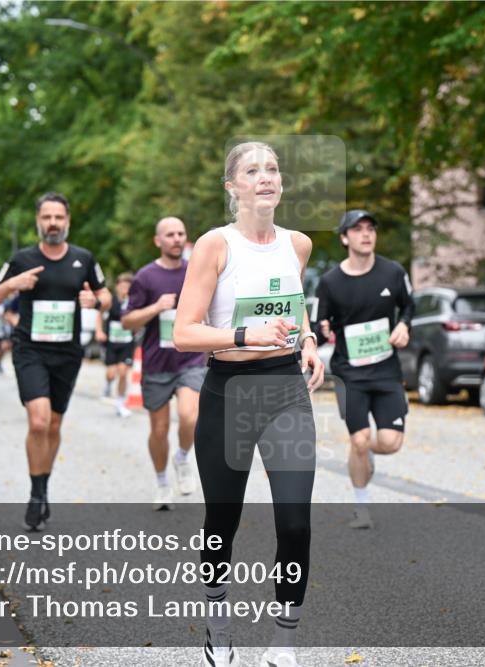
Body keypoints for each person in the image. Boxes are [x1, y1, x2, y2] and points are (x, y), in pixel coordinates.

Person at [174, 141, 325, 667]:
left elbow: (294, 308)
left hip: (284, 389)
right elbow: (183, 333)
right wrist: (245, 332)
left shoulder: (298, 244)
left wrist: (307, 343)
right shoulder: (215, 245)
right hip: (228, 391)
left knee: (296, 522)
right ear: (232, 186)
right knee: (223, 520)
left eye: (273, 169)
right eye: (252, 170)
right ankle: (218, 627)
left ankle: (283, 644)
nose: (266, 177)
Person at [0, 192, 111, 531]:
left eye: (58, 217)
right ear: (38, 221)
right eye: (46, 217)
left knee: (54, 425)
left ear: (67, 221)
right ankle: (36, 493)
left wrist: (94, 301)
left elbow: (106, 295)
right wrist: (13, 283)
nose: (52, 223)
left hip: (67, 353)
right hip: (30, 350)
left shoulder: (84, 259)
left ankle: (43, 486)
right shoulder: (21, 259)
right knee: (38, 422)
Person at [316, 209, 414, 529]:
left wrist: (404, 325)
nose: (366, 234)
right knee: (359, 439)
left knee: (389, 443)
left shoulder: (393, 272)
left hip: (386, 371)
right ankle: (362, 509)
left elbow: (409, 305)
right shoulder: (330, 282)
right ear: (345, 238)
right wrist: (322, 331)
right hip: (350, 374)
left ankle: (364, 452)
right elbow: (318, 325)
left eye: (370, 228)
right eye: (357, 229)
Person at [121, 219, 204, 510]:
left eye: (181, 233)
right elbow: (127, 321)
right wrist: (156, 307)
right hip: (157, 363)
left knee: (189, 416)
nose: (177, 239)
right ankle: (161, 483)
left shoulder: (197, 271)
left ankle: (182, 456)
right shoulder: (146, 277)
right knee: (158, 430)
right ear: (158, 240)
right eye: (170, 235)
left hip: (191, 359)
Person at [96, 272, 136, 417]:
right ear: (117, 286)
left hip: (127, 343)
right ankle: (107, 385)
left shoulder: (134, 302)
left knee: (123, 372)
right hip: (111, 343)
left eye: (128, 286)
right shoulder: (111, 301)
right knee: (111, 373)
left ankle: (120, 404)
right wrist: (99, 331)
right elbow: (99, 314)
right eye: (122, 285)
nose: (125, 288)